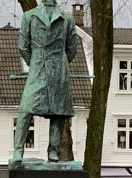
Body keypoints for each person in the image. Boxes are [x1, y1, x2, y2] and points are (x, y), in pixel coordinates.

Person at [12, 0, 78, 163]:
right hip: (38, 66)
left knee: (59, 112)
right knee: (26, 108)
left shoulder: (67, 18)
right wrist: (34, 62)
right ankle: (18, 150)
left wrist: (59, 63)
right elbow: (22, 46)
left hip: (58, 69)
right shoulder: (29, 16)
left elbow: (72, 48)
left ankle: (53, 150)